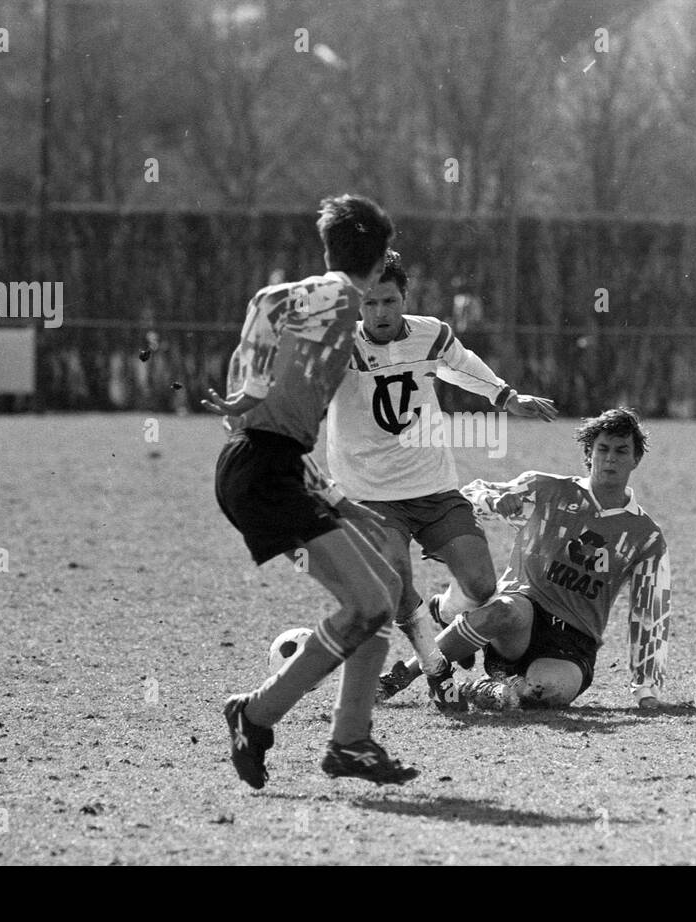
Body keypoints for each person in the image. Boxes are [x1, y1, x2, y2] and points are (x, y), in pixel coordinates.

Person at [201, 194, 418, 790]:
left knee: (385, 585)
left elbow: (265, 318)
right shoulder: (343, 296)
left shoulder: (289, 302)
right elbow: (285, 306)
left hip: (271, 464)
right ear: (377, 264)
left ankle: (350, 741)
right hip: (265, 468)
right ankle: (255, 714)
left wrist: (340, 502)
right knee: (370, 605)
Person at [321, 250, 558, 700]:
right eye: (369, 304)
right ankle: (435, 669)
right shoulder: (339, 345)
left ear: (404, 297)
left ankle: (443, 614)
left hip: (432, 486)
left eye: (388, 301)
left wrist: (507, 398)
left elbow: (463, 365)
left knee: (481, 585)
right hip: (369, 493)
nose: (379, 313)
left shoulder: (431, 334)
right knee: (394, 578)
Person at [387, 407, 672, 711]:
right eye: (602, 449)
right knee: (507, 610)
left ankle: (484, 688)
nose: (610, 458)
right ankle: (402, 676)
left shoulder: (646, 536)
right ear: (589, 453)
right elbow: (466, 497)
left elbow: (649, 613)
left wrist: (646, 690)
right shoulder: (547, 490)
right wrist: (493, 500)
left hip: (574, 643)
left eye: (621, 450)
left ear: (636, 459)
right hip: (520, 618)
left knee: (544, 694)